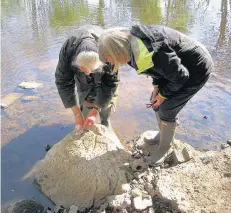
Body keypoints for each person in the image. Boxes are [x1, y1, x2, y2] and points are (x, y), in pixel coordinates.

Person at [98, 25, 214, 164]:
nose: (111, 64)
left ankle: (165, 148)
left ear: (118, 51)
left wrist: (163, 95)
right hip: (176, 68)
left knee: (168, 107)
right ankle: (162, 135)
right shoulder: (130, 48)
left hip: (197, 68)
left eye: (110, 60)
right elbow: (155, 69)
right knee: (154, 101)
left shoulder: (153, 52)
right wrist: (157, 87)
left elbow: (180, 76)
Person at [55, 25, 119, 133]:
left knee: (106, 102)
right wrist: (77, 114)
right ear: (76, 63)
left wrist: (96, 109)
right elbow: (63, 82)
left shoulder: (108, 51)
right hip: (81, 74)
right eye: (84, 70)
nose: (88, 74)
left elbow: (111, 82)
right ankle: (84, 121)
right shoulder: (68, 51)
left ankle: (105, 122)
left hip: (104, 68)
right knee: (86, 99)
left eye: (92, 71)